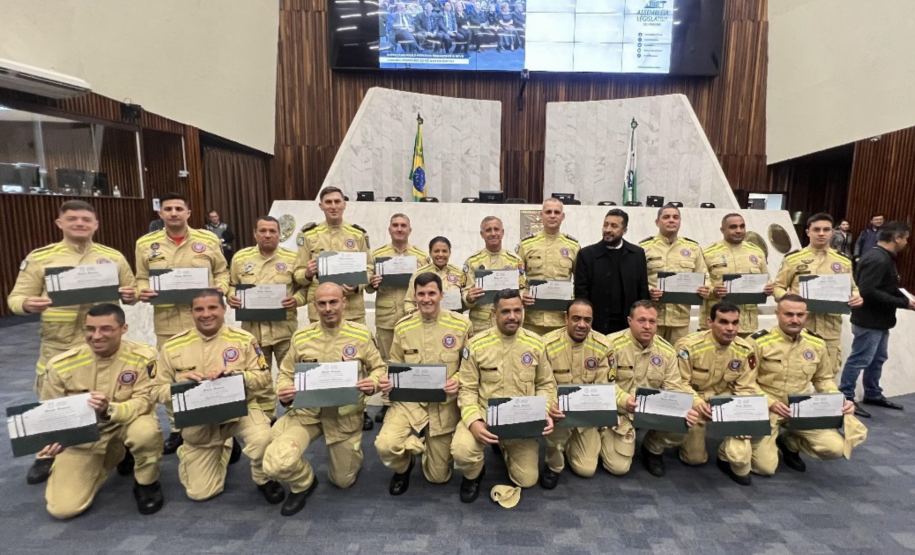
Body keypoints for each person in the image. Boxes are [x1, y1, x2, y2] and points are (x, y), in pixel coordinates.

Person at [8, 200, 137, 485]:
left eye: (86, 219)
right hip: (60, 342)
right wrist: (27, 304)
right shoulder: (41, 258)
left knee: (111, 392)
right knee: (54, 395)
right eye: (73, 219)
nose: (80, 223)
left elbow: (132, 290)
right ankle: (46, 452)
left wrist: (131, 295)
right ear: (60, 223)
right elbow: (15, 298)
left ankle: (122, 445)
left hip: (104, 340)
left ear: (95, 224)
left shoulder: (112, 257)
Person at [263, 282, 386, 516]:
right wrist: (285, 390)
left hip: (343, 417)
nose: (328, 308)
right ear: (314, 306)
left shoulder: (360, 335)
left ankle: (352, 451)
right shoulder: (302, 337)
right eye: (322, 303)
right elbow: (286, 373)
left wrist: (373, 383)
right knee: (276, 462)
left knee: (343, 481)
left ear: (344, 303)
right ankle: (304, 482)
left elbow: (380, 368)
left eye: (333, 302)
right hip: (307, 414)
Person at [153, 289, 282, 503]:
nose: (206, 314)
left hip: (241, 410)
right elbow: (155, 390)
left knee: (262, 438)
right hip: (198, 418)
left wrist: (238, 376)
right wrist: (179, 386)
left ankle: (263, 479)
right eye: (199, 309)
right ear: (191, 312)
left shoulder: (244, 340)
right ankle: (224, 447)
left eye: (212, 307)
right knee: (200, 493)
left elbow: (264, 378)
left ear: (224, 309)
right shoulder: (172, 346)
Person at [40, 303, 163, 519]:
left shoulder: (143, 357)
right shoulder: (61, 365)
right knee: (62, 509)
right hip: (85, 435)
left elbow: (145, 401)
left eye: (106, 329)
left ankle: (146, 483)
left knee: (145, 433)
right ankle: (116, 453)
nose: (96, 336)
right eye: (90, 329)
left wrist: (110, 409)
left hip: (127, 421)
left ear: (123, 329)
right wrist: (54, 439)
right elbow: (50, 411)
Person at [136, 192, 230, 455]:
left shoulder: (207, 240)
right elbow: (140, 277)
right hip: (167, 322)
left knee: (212, 370)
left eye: (179, 208)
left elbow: (222, 271)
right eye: (168, 209)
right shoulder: (145, 244)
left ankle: (221, 425)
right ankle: (178, 428)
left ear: (188, 212)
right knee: (171, 375)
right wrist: (143, 290)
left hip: (205, 320)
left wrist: (221, 288)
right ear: (161, 213)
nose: (174, 213)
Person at [451, 289, 556, 503]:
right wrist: (474, 422)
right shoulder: (476, 345)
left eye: (517, 311)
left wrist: (543, 412)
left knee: (526, 480)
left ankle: (505, 448)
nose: (512, 316)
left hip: (521, 421)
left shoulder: (536, 343)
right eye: (506, 311)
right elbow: (467, 389)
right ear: (494, 313)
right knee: (462, 450)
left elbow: (546, 384)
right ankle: (474, 474)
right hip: (485, 415)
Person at [375, 273, 473, 495]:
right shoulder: (403, 327)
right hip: (410, 404)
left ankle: (425, 444)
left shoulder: (461, 325)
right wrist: (388, 380)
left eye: (431, 293)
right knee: (386, 445)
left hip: (443, 406)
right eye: (421, 294)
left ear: (441, 295)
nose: (426, 299)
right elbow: (395, 363)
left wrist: (457, 380)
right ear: (415, 296)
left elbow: (469, 367)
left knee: (438, 477)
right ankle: (404, 467)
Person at [748, 295, 862, 475]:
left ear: (806, 315)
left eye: (800, 315)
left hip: (801, 409)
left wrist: (838, 400)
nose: (795, 320)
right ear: (777, 314)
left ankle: (789, 442)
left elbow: (823, 379)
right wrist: (771, 403)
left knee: (836, 448)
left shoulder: (816, 343)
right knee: (765, 468)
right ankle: (760, 441)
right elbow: (746, 382)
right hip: (767, 408)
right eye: (789, 314)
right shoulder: (758, 342)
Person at [293, 186, 374, 431]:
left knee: (356, 360)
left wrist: (357, 283)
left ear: (344, 204)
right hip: (321, 311)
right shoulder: (309, 236)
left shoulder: (357, 235)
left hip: (352, 309)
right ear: (321, 205)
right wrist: (308, 273)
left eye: (337, 201)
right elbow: (297, 274)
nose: (333, 206)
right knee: (324, 356)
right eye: (328, 202)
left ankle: (360, 409)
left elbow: (369, 270)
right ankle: (324, 403)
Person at [605, 300, 700, 478]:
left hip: (650, 411)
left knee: (684, 421)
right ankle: (609, 436)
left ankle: (652, 448)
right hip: (619, 412)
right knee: (618, 467)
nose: (647, 326)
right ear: (630, 321)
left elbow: (673, 388)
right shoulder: (611, 345)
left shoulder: (666, 351)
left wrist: (682, 409)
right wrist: (624, 400)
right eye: (641, 320)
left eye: (652, 321)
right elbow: (603, 383)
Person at [228, 216, 305, 420]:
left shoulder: (293, 258)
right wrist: (231, 296)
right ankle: (266, 419)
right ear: (255, 234)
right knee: (260, 379)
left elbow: (305, 288)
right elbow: (231, 285)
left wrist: (297, 299)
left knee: (291, 374)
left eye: (272, 231)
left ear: (280, 234)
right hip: (253, 333)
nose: (267, 235)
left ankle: (294, 417)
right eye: (263, 231)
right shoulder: (240, 258)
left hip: (284, 331)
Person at [674, 302, 757, 486]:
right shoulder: (688, 346)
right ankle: (684, 440)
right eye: (724, 322)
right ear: (710, 322)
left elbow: (746, 389)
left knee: (740, 460)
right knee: (694, 459)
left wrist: (741, 417)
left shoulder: (745, 350)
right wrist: (696, 402)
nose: (730, 328)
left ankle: (725, 454)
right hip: (696, 403)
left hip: (727, 404)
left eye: (735, 323)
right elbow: (680, 383)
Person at [839, 221, 914, 417]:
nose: (906, 243)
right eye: (905, 239)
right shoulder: (878, 259)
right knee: (859, 359)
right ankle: (845, 398)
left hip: (879, 320)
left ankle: (872, 393)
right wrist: (904, 303)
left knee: (878, 358)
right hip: (869, 320)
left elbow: (886, 287)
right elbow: (868, 291)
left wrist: (906, 298)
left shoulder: (883, 257)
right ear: (897, 238)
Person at [774, 213, 862, 378]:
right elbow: (777, 287)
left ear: (832, 232)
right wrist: (789, 299)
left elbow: (853, 288)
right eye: (816, 229)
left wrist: (857, 296)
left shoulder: (843, 261)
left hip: (830, 328)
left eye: (826, 230)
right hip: (800, 326)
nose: (821, 233)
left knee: (827, 375)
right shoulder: (793, 259)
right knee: (795, 373)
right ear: (808, 232)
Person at [540, 299, 611, 487]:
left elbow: (604, 386)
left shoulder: (603, 345)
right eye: (576, 318)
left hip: (586, 415)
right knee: (556, 430)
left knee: (586, 470)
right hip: (558, 414)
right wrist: (549, 405)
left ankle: (573, 443)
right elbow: (542, 383)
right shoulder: (546, 345)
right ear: (566, 318)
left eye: (587, 320)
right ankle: (553, 465)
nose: (582, 324)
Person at [640, 204, 710, 344]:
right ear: (657, 222)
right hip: (652, 317)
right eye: (666, 217)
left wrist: (706, 288)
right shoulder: (644, 248)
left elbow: (705, 277)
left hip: (680, 318)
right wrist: (649, 290)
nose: (671, 220)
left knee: (678, 354)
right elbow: (635, 280)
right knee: (650, 354)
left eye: (675, 217)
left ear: (680, 221)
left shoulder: (693, 248)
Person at [574, 208, 649, 336]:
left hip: (627, 326)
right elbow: (581, 293)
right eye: (605, 225)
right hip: (595, 326)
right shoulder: (587, 255)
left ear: (624, 230)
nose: (608, 229)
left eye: (614, 226)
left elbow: (642, 293)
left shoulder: (636, 254)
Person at [700, 213, 773, 336]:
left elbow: (767, 279)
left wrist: (768, 288)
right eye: (733, 227)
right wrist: (713, 291)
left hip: (747, 323)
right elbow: (699, 285)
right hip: (717, 322)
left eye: (742, 226)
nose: (739, 230)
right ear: (722, 230)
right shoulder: (708, 253)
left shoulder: (757, 252)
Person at [517, 198, 580, 337]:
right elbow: (516, 277)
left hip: (561, 320)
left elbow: (580, 282)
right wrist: (522, 294)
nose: (552, 215)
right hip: (532, 319)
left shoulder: (573, 246)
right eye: (548, 212)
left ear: (562, 216)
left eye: (556, 212)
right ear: (541, 215)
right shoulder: (526, 244)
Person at [461, 216, 527, 333]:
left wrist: (523, 297)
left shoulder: (514, 261)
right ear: (482, 234)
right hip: (481, 325)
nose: (493, 233)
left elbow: (521, 290)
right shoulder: (472, 262)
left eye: (496, 229)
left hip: (509, 321)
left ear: (502, 232)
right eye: (488, 230)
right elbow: (465, 293)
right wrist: (469, 298)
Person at [404, 236, 465, 314]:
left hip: (453, 319)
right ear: (430, 253)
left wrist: (469, 300)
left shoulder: (459, 273)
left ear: (449, 253)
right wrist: (412, 312)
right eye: (436, 251)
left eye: (444, 251)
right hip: (426, 319)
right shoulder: (419, 274)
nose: (440, 254)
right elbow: (409, 301)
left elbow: (465, 302)